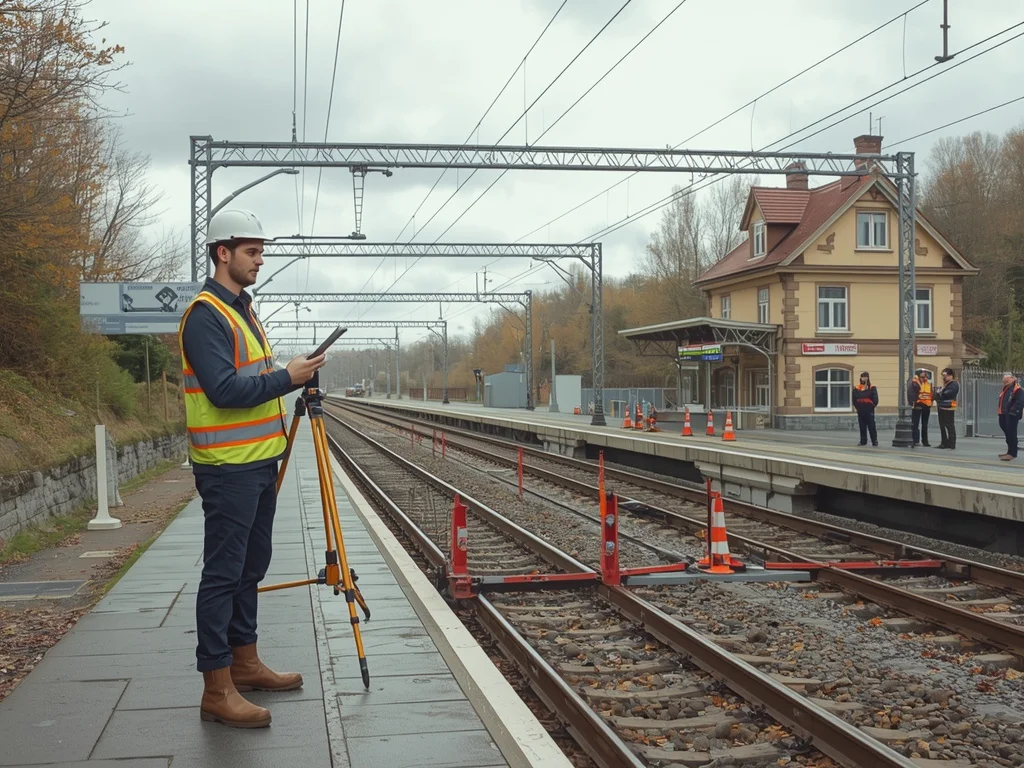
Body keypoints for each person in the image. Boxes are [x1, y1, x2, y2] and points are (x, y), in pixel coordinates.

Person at [178, 208, 326, 729]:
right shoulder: (205, 315)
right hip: (227, 467)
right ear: (224, 253)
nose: (260, 260)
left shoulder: (241, 309)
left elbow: (252, 378)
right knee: (222, 574)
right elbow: (224, 390)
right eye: (252, 252)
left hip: (258, 463)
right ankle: (216, 688)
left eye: (261, 252)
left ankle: (245, 662)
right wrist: (287, 376)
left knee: (250, 566)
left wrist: (291, 375)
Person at [997, 372, 1024, 461]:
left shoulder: (1017, 389)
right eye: (1004, 378)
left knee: (1011, 433)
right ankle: (1009, 451)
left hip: (1011, 414)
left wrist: (1013, 411)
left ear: (1012, 379)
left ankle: (1012, 453)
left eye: (1007, 378)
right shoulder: (1006, 388)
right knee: (1008, 433)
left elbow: (1019, 402)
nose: (1004, 380)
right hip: (1003, 413)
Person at [934, 367, 959, 450]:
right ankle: (944, 443)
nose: (944, 377)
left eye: (945, 375)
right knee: (942, 425)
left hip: (948, 407)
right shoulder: (947, 384)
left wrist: (939, 393)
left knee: (949, 425)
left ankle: (951, 444)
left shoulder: (954, 384)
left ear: (951, 375)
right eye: (943, 376)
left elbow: (945, 394)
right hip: (942, 406)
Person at [853, 371, 878, 446]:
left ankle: (874, 440)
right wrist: (858, 407)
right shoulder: (857, 388)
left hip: (869, 410)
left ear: (868, 378)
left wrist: (871, 406)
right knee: (862, 426)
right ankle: (863, 441)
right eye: (862, 377)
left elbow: (875, 399)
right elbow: (854, 399)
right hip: (860, 410)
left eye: (865, 377)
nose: (864, 378)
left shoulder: (872, 388)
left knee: (872, 426)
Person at [908, 368, 932, 447]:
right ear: (918, 374)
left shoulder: (927, 383)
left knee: (925, 424)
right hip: (918, 405)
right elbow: (911, 394)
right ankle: (915, 441)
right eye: (923, 373)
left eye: (925, 373)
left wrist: (931, 402)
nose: (925, 374)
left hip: (927, 406)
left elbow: (931, 393)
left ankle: (925, 441)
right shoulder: (915, 382)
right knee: (915, 424)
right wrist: (913, 404)